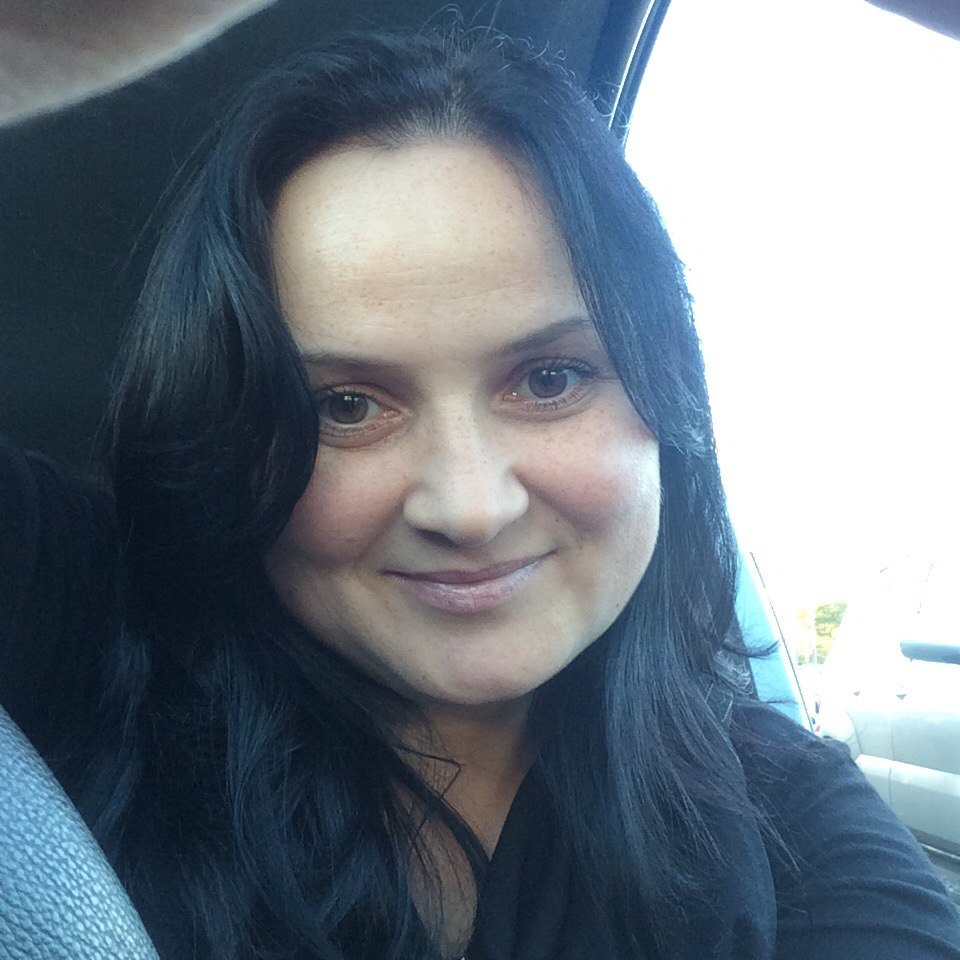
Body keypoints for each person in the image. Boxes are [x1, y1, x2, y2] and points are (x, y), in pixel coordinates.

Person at [2, 27, 959, 960]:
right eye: (345, 405)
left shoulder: (797, 824)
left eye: (550, 379)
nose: (471, 509)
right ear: (232, 441)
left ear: (666, 398)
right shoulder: (77, 636)